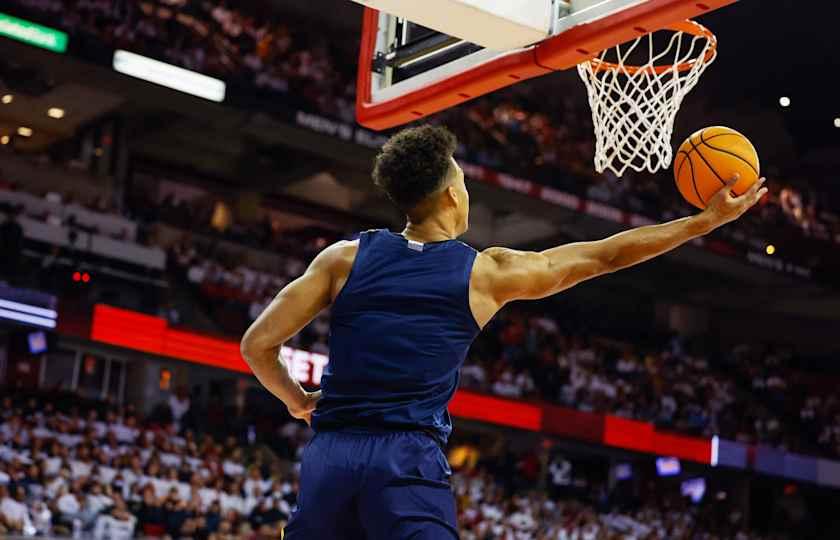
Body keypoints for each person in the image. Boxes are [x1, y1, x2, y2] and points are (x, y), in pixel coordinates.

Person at [240, 125, 767, 539]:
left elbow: (257, 345)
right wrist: (701, 224)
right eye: (464, 181)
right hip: (406, 461)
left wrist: (295, 400)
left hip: (331, 454)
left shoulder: (343, 259)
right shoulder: (484, 274)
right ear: (450, 195)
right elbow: (601, 256)